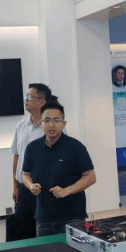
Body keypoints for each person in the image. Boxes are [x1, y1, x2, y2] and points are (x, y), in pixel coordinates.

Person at [22, 100, 97, 236]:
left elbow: (91, 177)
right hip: (43, 217)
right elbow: (25, 174)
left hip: (72, 216)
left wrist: (66, 191)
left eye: (56, 120)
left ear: (64, 124)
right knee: (45, 250)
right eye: (47, 120)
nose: (51, 125)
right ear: (41, 123)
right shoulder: (32, 148)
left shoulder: (76, 147)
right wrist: (30, 185)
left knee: (73, 250)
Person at [8, 83, 51, 241]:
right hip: (24, 189)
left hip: (44, 189)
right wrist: (15, 186)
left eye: (29, 97)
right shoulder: (21, 126)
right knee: (24, 231)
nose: (25, 100)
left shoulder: (52, 126)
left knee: (44, 232)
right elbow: (16, 156)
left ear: (42, 101)